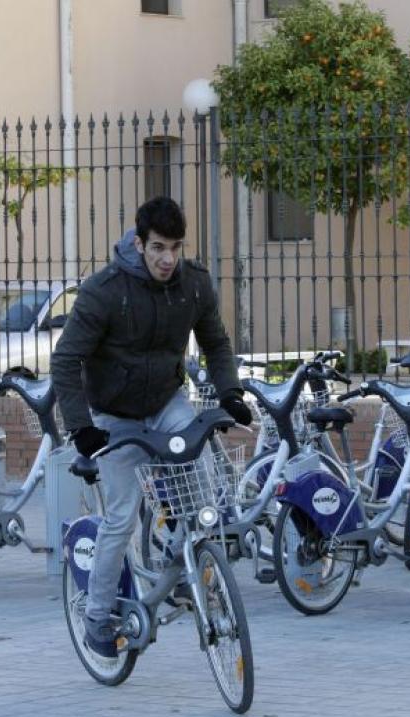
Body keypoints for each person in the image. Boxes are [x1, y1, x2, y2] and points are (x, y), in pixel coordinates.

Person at [52, 195, 251, 658]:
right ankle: (98, 618)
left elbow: (217, 344)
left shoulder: (193, 285)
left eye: (176, 247)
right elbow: (65, 361)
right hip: (113, 416)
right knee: (122, 514)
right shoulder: (105, 290)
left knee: (204, 487)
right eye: (158, 247)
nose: (168, 259)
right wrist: (82, 428)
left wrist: (230, 394)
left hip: (165, 403)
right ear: (139, 244)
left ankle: (179, 563)